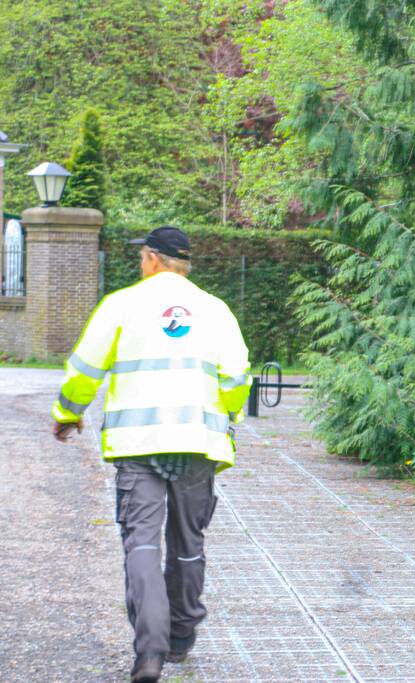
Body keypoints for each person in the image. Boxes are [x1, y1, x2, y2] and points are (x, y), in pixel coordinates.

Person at [51, 226, 251, 683]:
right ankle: (181, 638)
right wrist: (226, 413)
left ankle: (151, 651)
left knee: (141, 540)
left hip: (138, 446)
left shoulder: (121, 305)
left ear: (153, 259)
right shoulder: (215, 310)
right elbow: (237, 376)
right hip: (199, 444)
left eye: (142, 257)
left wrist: (67, 412)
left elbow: (85, 369)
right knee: (188, 541)